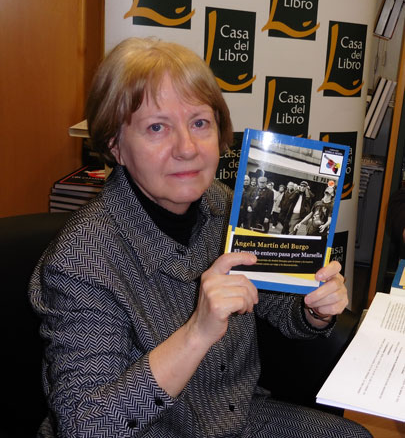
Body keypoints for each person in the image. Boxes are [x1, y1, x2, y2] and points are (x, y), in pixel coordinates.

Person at [29, 37, 371, 438]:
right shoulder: (81, 259)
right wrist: (197, 332)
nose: (187, 148)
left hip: (236, 418)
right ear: (115, 146)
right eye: (157, 127)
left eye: (199, 123)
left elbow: (278, 304)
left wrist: (314, 310)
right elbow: (86, 425)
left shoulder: (222, 204)